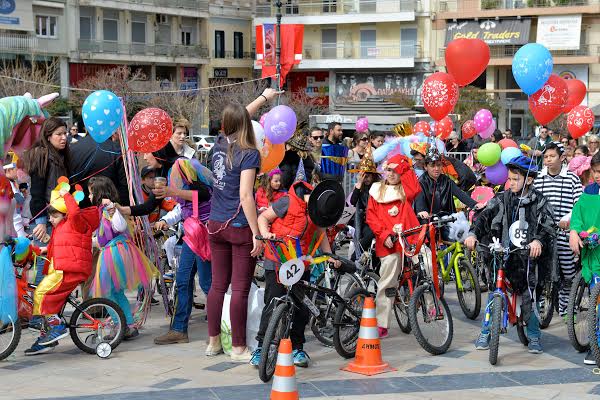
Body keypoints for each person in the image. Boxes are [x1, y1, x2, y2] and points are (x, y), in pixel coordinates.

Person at [206, 88, 279, 361]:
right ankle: (238, 347)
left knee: (217, 286)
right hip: (237, 225)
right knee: (239, 288)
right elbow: (246, 195)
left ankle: (213, 342)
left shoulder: (217, 145)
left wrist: (263, 97)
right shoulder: (249, 153)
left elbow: (239, 118)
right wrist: (257, 233)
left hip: (214, 224)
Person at [465, 156, 555, 354]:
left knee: (529, 296)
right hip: (502, 256)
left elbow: (548, 225)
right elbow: (483, 216)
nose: (511, 183)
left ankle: (533, 336)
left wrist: (538, 240)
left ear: (529, 180)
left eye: (516, 179)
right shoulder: (501, 198)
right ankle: (486, 332)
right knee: (493, 293)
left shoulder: (539, 201)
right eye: (510, 179)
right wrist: (473, 234)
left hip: (527, 260)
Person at [251, 176, 342, 368]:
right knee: (273, 303)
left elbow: (320, 233)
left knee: (301, 306)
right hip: (277, 259)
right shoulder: (287, 201)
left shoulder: (319, 211)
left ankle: (297, 347)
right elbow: (263, 217)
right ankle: (261, 347)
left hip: (301, 264)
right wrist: (265, 233)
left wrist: (329, 255)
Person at [25, 184, 100, 355]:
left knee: (41, 294)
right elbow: (51, 248)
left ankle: (57, 326)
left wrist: (67, 195)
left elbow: (74, 212)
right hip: (61, 268)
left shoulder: (76, 222)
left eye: (54, 216)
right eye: (50, 216)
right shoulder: (61, 228)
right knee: (43, 295)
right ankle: (47, 337)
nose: (50, 219)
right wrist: (34, 251)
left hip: (68, 269)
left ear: (65, 214)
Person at [150, 158, 214, 345]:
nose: (174, 178)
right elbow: (177, 209)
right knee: (182, 281)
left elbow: (200, 195)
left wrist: (173, 191)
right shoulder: (182, 192)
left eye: (177, 175)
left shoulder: (201, 187)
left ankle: (224, 327)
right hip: (190, 240)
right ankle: (178, 330)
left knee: (207, 283)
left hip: (203, 239)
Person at [88, 176, 155, 340]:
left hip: (114, 253)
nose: (89, 197)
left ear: (98, 193)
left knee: (107, 292)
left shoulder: (109, 210)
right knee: (116, 292)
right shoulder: (103, 211)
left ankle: (120, 324)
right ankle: (128, 324)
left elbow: (120, 226)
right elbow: (103, 238)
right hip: (115, 251)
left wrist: (112, 209)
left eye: (90, 193)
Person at [366, 154, 421, 338]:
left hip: (409, 238)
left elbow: (414, 189)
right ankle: (382, 322)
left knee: (427, 264)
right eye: (388, 169)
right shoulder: (376, 190)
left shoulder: (406, 189)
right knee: (388, 278)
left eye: (395, 171)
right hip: (388, 242)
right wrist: (383, 235)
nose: (391, 173)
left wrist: (405, 166)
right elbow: (371, 217)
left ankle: (431, 307)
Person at [533, 142, 582, 318]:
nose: (548, 160)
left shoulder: (572, 178)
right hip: (544, 233)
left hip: (565, 234)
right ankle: (538, 310)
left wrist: (566, 220)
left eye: (551, 156)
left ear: (561, 158)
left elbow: (578, 205)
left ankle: (567, 308)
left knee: (567, 272)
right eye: (545, 157)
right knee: (541, 272)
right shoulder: (539, 179)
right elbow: (534, 204)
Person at [23, 117, 71, 285]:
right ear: (48, 136)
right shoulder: (42, 155)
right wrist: (41, 222)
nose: (64, 137)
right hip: (43, 219)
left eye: (65, 133)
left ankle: (46, 307)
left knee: (55, 265)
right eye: (59, 134)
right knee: (44, 265)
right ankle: (38, 308)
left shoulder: (60, 155)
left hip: (57, 218)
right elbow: (36, 192)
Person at [569, 152, 600, 364]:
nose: (599, 176)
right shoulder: (589, 192)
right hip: (593, 253)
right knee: (596, 303)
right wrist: (574, 232)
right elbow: (577, 215)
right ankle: (596, 343)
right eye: (596, 172)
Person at [414, 149, 481, 240]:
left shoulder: (446, 180)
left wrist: (475, 204)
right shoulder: (421, 182)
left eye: (438, 165)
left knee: (461, 237)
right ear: (426, 166)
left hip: (448, 218)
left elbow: (459, 193)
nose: (436, 169)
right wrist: (421, 211)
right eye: (432, 165)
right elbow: (419, 199)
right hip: (429, 221)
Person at [69, 131, 129, 208]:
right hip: (109, 208)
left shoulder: (73, 148)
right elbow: (124, 185)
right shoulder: (116, 149)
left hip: (80, 206)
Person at [2, 159, 25, 237]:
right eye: (16, 169)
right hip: (13, 223)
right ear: (8, 170)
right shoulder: (5, 184)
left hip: (18, 222)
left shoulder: (13, 183)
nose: (18, 171)